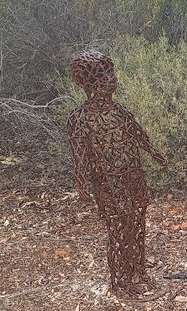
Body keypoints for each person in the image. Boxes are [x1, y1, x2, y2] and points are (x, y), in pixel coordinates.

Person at [66, 51, 167, 296]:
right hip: (108, 183)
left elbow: (138, 135)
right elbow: (80, 155)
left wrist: (153, 153)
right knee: (119, 231)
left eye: (110, 73)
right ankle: (121, 283)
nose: (110, 80)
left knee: (137, 225)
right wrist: (82, 183)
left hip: (133, 177)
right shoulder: (79, 118)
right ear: (87, 83)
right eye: (101, 76)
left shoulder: (120, 112)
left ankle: (139, 272)